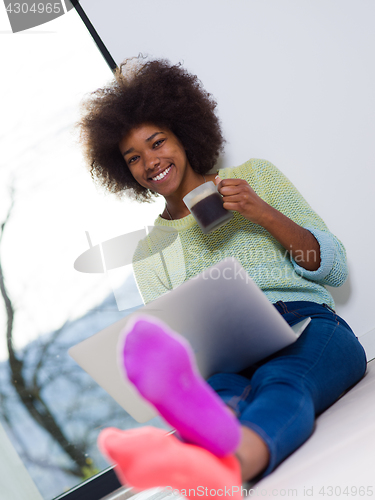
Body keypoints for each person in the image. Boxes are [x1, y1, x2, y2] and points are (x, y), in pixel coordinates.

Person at [77, 58, 367, 496]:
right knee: (219, 395)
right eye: (134, 158)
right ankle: (202, 448)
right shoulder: (149, 251)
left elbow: (334, 266)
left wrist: (261, 212)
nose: (150, 163)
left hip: (306, 323)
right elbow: (177, 336)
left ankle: (231, 466)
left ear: (184, 134)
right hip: (227, 359)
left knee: (282, 381)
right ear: (125, 172)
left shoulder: (254, 178)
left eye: (157, 143)